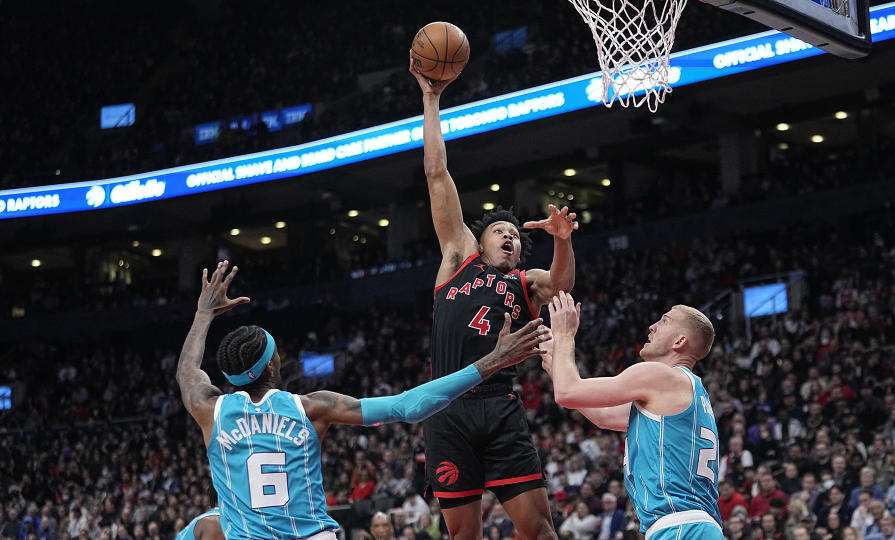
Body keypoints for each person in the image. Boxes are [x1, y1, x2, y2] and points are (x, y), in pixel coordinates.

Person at [176, 261, 549, 540]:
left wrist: (203, 314)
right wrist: (493, 361)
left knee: (202, 527)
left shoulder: (209, 409)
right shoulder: (312, 406)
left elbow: (188, 372)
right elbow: (409, 406)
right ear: (273, 362)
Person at [410, 54, 577, 540]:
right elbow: (437, 175)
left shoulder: (524, 284)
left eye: (516, 235)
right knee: (464, 535)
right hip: (446, 407)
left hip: (500, 405)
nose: (509, 238)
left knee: (540, 529)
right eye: (500, 232)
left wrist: (562, 240)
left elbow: (562, 285)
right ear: (479, 240)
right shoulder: (456, 257)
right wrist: (431, 99)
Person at [542, 292, 723, 539]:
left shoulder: (661, 376)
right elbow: (603, 416)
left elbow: (567, 392)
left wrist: (564, 335)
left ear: (680, 341)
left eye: (664, 321)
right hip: (691, 526)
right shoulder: (680, 392)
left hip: (680, 526)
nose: (652, 327)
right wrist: (555, 364)